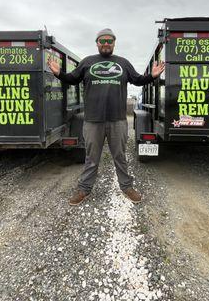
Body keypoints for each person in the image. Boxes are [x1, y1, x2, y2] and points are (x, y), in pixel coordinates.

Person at [48, 28, 165, 205]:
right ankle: (84, 189)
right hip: (93, 121)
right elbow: (72, 79)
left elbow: (138, 80)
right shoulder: (87, 62)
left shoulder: (123, 63)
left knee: (120, 156)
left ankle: (127, 187)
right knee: (91, 158)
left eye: (109, 41)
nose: (106, 44)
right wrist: (58, 73)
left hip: (117, 120)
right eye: (102, 41)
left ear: (114, 43)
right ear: (97, 43)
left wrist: (152, 76)